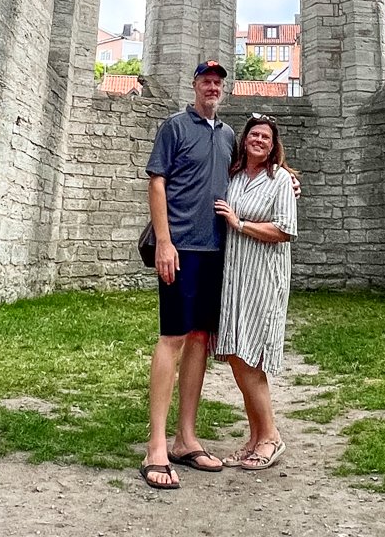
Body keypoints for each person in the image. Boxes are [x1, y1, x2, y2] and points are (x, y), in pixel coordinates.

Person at [140, 60, 234, 490]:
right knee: (173, 338)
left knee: (200, 339)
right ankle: (156, 445)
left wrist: (287, 178)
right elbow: (156, 182)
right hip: (180, 249)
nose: (212, 87)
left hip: (217, 250)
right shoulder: (175, 126)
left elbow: (250, 174)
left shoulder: (229, 135)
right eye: (206, 81)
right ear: (194, 85)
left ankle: (186, 438)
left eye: (217, 82)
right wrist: (163, 241)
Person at [213, 112, 297, 470]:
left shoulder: (281, 181)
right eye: (254, 135)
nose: (259, 140)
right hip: (234, 276)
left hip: (263, 277)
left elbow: (285, 230)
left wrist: (240, 223)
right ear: (245, 139)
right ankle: (254, 438)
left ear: (273, 145)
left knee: (252, 358)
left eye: (266, 137)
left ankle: (271, 437)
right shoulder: (233, 177)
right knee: (236, 353)